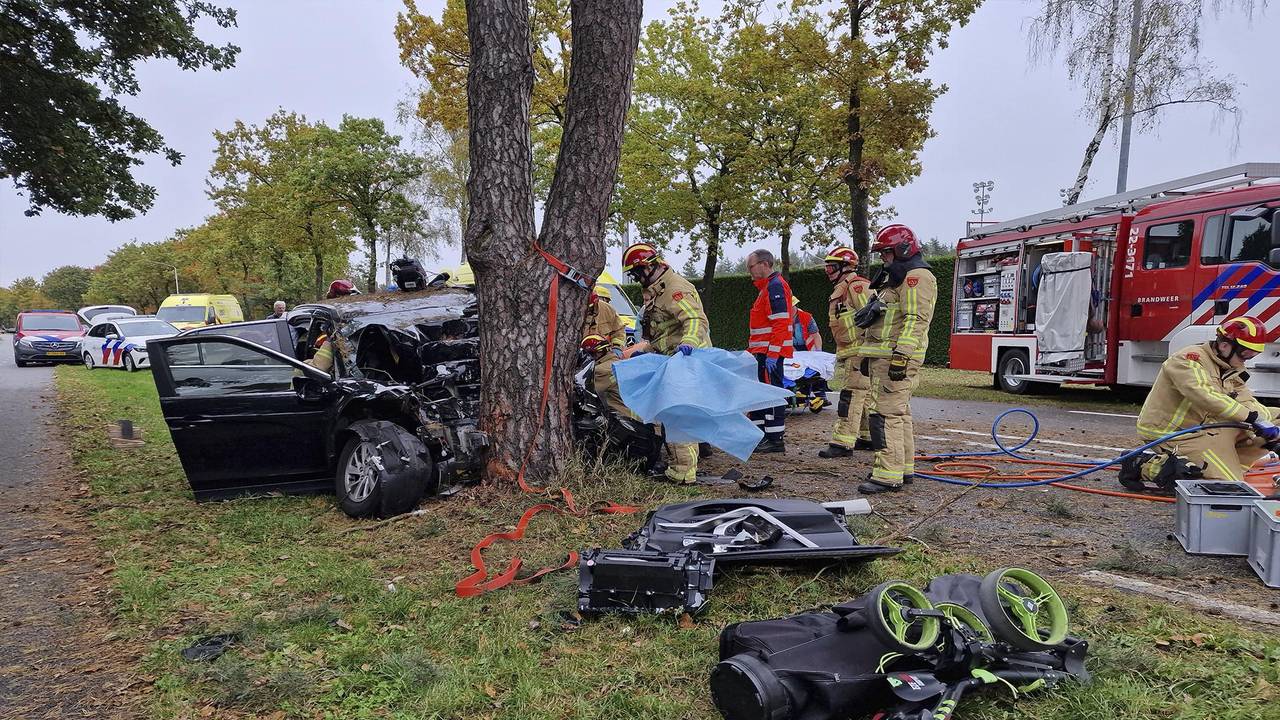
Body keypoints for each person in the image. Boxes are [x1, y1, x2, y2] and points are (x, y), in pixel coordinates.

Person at [1128, 316, 1278, 483]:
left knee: (1276, 418)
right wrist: (1254, 419)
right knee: (1228, 486)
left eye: (1254, 354)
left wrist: (1269, 422)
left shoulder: (1231, 367)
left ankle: (1227, 467)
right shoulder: (1188, 360)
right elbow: (1205, 396)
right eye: (1246, 353)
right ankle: (1145, 465)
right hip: (1175, 434)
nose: (1247, 359)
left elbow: (1246, 401)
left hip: (1206, 428)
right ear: (1224, 345)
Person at [620, 242, 712, 484]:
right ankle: (678, 465)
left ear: (649, 267)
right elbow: (660, 334)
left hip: (687, 360)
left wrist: (689, 342)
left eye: (637, 273)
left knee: (678, 415)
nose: (636, 278)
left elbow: (694, 320)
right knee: (669, 414)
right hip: (671, 359)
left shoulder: (675, 289)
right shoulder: (657, 290)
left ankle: (684, 473)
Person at [857, 225, 937, 494]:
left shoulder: (916, 277)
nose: (884, 259)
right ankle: (902, 469)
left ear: (902, 249)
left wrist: (901, 356)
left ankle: (886, 475)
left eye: (886, 253)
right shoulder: (899, 278)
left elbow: (917, 320)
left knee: (885, 414)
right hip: (886, 356)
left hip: (897, 357)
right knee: (899, 414)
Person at [818, 246, 876, 459]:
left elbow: (873, 316)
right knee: (863, 394)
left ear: (845, 266)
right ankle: (868, 437)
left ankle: (842, 443)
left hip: (859, 350)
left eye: (831, 266)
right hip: (853, 350)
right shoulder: (844, 287)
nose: (828, 271)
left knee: (851, 395)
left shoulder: (857, 286)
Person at [746, 249, 795, 454]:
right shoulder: (767, 288)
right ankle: (762, 436)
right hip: (763, 352)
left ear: (764, 264)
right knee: (762, 394)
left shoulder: (775, 287)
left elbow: (781, 323)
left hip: (769, 353)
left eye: (751, 266)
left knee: (771, 394)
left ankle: (774, 439)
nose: (749, 271)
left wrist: (773, 354)